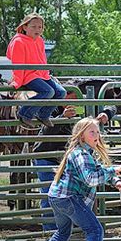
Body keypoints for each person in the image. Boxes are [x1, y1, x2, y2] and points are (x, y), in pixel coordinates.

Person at [28, 117, 121, 241]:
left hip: (58, 197)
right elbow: (90, 178)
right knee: (95, 230)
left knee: (62, 233)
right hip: (69, 198)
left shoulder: (81, 152)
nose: (97, 134)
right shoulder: (81, 154)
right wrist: (111, 172)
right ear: (82, 136)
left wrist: (114, 179)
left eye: (97, 131)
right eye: (92, 132)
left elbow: (97, 169)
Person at [32, 94, 116, 231]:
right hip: (48, 156)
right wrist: (61, 118)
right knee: (50, 193)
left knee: (72, 194)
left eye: (74, 98)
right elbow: (45, 131)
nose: (71, 101)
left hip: (71, 160)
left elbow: (112, 105)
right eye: (67, 98)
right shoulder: (52, 108)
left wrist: (106, 113)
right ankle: (50, 229)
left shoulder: (84, 108)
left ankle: (68, 229)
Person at [6, 12, 67, 128]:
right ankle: (24, 113)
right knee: (48, 91)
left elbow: (42, 59)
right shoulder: (18, 41)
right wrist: (17, 81)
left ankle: (43, 115)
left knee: (61, 92)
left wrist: (46, 73)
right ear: (25, 27)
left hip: (41, 74)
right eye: (33, 26)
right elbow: (17, 64)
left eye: (40, 27)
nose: (37, 29)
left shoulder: (40, 41)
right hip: (28, 75)